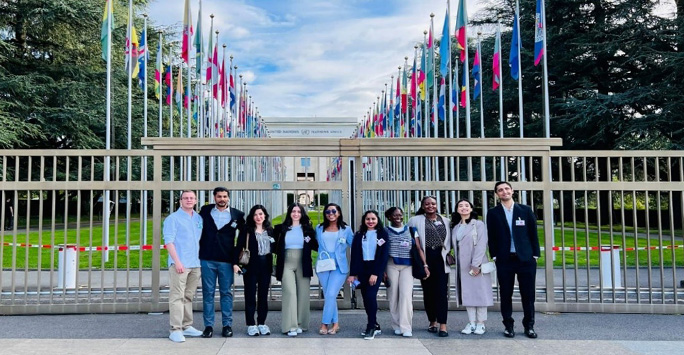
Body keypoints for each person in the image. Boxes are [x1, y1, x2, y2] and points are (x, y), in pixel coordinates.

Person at [487, 181, 541, 339]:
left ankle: (529, 326)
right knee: (505, 294)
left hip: (526, 259)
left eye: (506, 189)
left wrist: (535, 255)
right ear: (497, 194)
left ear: (512, 191)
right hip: (505, 260)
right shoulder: (493, 212)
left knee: (528, 294)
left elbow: (533, 234)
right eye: (500, 190)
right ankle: (508, 326)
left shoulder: (525, 210)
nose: (504, 192)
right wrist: (495, 256)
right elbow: (492, 236)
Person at [198, 187, 245, 338]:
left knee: (226, 293)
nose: (222, 199)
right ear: (214, 197)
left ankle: (227, 325)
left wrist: (236, 260)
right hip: (207, 259)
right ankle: (209, 326)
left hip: (226, 261)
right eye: (219, 196)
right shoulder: (205, 211)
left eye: (225, 196)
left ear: (228, 198)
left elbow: (243, 239)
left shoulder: (237, 215)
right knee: (208, 294)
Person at [163, 190, 204, 343]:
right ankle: (175, 329)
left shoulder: (198, 218)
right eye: (186, 198)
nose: (189, 200)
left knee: (188, 297)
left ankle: (187, 326)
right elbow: (169, 242)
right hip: (180, 264)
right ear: (180, 200)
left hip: (195, 264)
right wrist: (177, 262)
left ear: (195, 200)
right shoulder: (172, 219)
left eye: (191, 198)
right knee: (177, 297)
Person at [407, 195, 452, 337]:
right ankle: (432, 321)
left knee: (441, 292)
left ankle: (443, 325)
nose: (430, 206)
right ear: (422, 206)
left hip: (441, 258)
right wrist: (422, 263)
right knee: (428, 292)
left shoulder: (446, 221)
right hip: (424, 258)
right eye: (427, 204)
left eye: (433, 203)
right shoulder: (414, 220)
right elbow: (413, 242)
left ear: (437, 205)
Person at [274, 203, 318, 336]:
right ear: (289, 213)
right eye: (293, 211)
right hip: (286, 262)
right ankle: (290, 326)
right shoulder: (281, 229)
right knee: (290, 293)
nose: (296, 214)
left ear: (302, 213)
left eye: (299, 211)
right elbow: (274, 246)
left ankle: (301, 324)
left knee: (303, 294)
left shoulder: (308, 230)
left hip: (303, 263)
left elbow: (316, 246)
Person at [451, 199, 493, 335]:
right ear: (457, 209)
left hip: (476, 264)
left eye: (466, 206)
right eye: (460, 206)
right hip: (462, 266)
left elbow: (481, 245)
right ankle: (471, 322)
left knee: (480, 294)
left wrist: (476, 264)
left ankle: (481, 323)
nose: (464, 208)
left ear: (471, 208)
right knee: (468, 294)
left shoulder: (478, 224)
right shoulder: (456, 227)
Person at [348, 210, 389, 340]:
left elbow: (383, 256)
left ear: (377, 220)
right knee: (366, 298)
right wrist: (353, 274)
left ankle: (371, 326)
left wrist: (376, 273)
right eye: (368, 219)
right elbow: (354, 255)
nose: (370, 221)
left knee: (371, 296)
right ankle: (375, 324)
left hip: (375, 268)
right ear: (364, 221)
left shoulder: (383, 234)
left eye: (373, 219)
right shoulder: (359, 234)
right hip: (362, 269)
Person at [315, 203, 354, 335]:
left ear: (339, 213)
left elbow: (354, 246)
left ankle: (324, 324)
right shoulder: (319, 228)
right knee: (329, 296)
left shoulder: (346, 229)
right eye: (327, 212)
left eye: (333, 211)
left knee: (331, 294)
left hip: (339, 266)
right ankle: (336, 324)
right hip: (324, 265)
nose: (330, 214)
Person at [236, 205, 275, 336]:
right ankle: (251, 324)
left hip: (266, 266)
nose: (258, 217)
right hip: (251, 266)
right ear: (252, 217)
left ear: (265, 215)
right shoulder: (247, 231)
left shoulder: (270, 230)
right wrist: (235, 264)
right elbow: (238, 247)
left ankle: (262, 323)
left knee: (263, 296)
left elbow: (276, 247)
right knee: (250, 295)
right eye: (255, 215)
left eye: (261, 214)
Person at [384, 206, 416, 337]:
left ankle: (406, 326)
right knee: (393, 296)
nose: (398, 217)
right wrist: (382, 271)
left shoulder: (411, 229)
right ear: (389, 217)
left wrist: (424, 265)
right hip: (391, 265)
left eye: (400, 215)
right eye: (395, 215)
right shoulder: (385, 231)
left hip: (408, 266)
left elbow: (418, 247)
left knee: (406, 296)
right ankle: (396, 324)